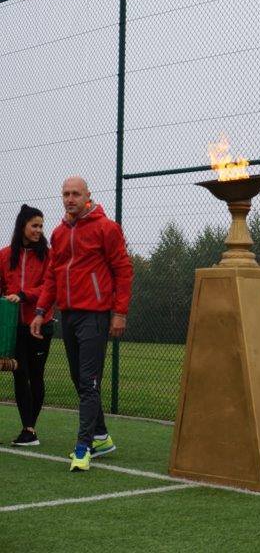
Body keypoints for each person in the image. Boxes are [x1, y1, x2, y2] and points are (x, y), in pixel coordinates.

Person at [31, 177, 133, 472]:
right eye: (65, 194)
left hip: (95, 315)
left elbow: (123, 271)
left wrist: (120, 313)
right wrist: (41, 310)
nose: (70, 198)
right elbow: (52, 275)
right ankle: (100, 436)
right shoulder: (59, 233)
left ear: (88, 196)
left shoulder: (107, 228)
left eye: (76, 193)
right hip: (69, 315)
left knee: (88, 382)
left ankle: (83, 447)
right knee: (80, 380)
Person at [0, 204, 53, 446]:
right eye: (34, 225)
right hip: (15, 327)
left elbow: (49, 287)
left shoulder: (48, 256)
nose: (38, 230)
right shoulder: (4, 255)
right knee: (19, 374)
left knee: (36, 375)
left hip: (41, 324)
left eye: (41, 226)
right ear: (23, 225)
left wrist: (23, 295)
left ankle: (30, 427)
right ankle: (28, 429)